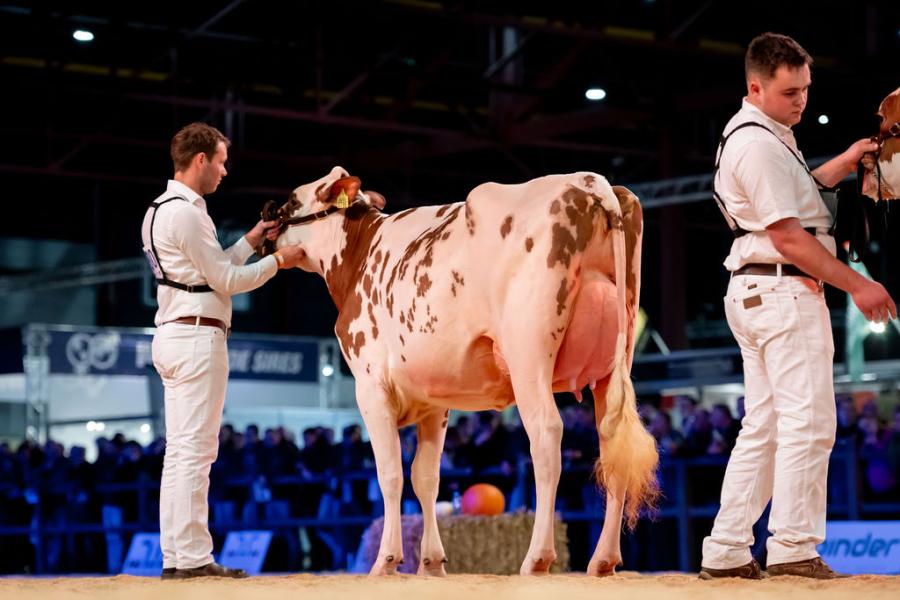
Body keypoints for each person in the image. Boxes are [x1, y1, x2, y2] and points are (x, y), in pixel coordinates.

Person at [699, 33, 896, 580]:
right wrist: (855, 283)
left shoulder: (764, 134)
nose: (801, 100)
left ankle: (727, 551)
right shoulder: (759, 145)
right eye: (790, 91)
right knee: (808, 422)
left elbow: (797, 196)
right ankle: (792, 547)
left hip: (759, 289)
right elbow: (789, 236)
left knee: (763, 426)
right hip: (783, 288)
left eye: (806, 88)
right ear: (755, 86)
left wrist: (848, 159)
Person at [142, 122, 305, 579]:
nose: (224, 171)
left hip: (176, 333)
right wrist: (278, 261)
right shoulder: (189, 213)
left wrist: (252, 241)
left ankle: (177, 556)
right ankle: (192, 559)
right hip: (197, 337)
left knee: (181, 453)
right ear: (200, 161)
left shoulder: (159, 209)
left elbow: (207, 272)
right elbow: (228, 282)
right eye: (220, 161)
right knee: (195, 453)